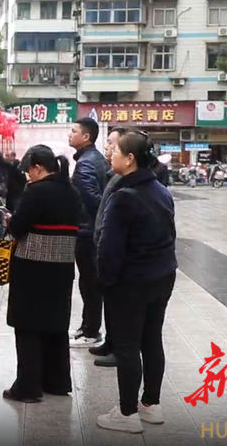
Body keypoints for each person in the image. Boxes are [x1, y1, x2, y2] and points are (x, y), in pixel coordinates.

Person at [95, 130, 178, 434]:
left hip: (131, 282)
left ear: (130, 159)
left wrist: (106, 281)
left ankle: (127, 412)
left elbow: (109, 248)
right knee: (151, 339)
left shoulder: (123, 198)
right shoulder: (161, 191)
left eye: (115, 150)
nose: (111, 154)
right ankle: (151, 404)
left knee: (127, 345)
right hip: (162, 276)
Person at [2, 145, 80, 403]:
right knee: (56, 324)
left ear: (37, 167)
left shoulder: (36, 191)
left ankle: (28, 387)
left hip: (33, 267)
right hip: (63, 266)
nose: (28, 175)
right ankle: (57, 382)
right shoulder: (72, 191)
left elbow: (19, 226)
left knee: (27, 325)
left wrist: (9, 220)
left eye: (29, 171)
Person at [68, 117, 109, 348]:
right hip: (92, 229)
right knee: (89, 281)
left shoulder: (85, 164)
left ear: (86, 137)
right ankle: (87, 326)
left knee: (90, 282)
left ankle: (91, 331)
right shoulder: (95, 158)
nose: (70, 134)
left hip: (87, 231)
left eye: (74, 131)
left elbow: (93, 200)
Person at [89, 126, 127, 369]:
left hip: (117, 256)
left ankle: (119, 347)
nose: (107, 147)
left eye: (112, 143)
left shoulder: (125, 181)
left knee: (119, 304)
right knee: (109, 301)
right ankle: (111, 341)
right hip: (104, 247)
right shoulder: (113, 175)